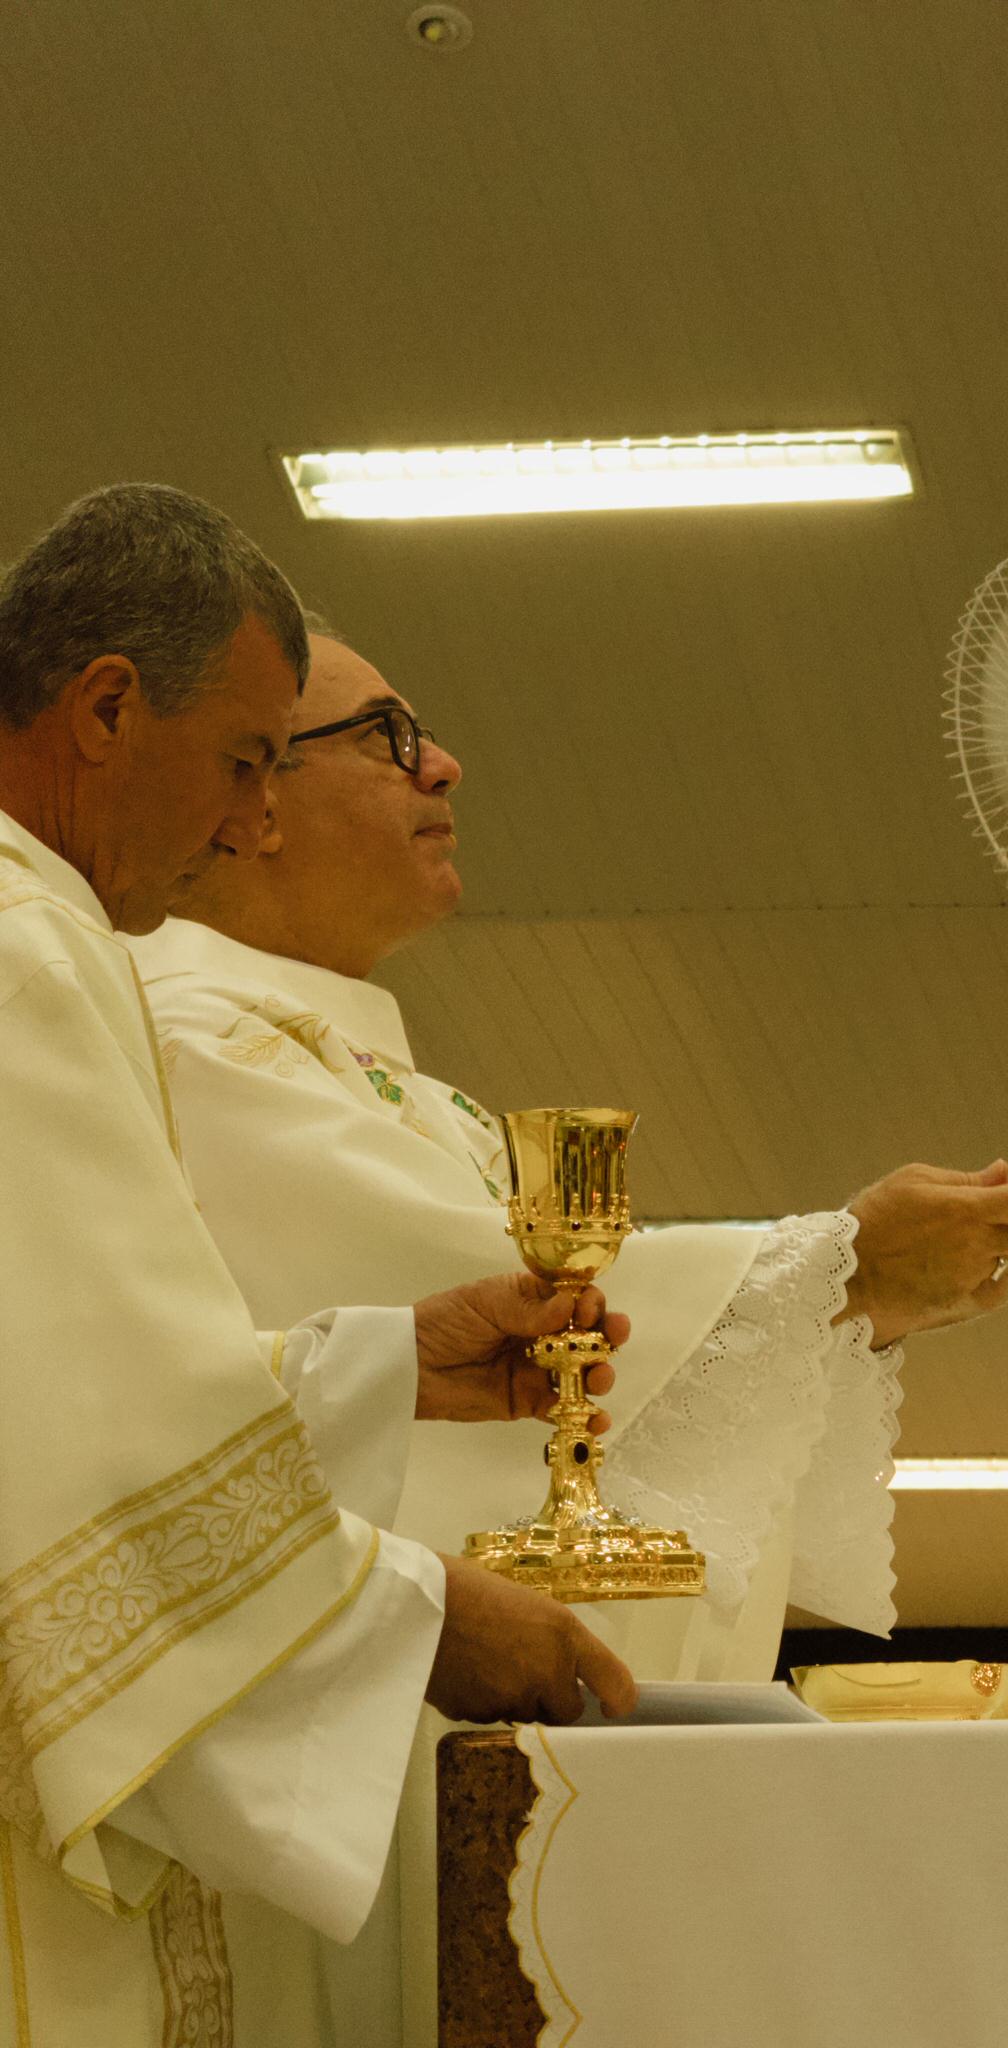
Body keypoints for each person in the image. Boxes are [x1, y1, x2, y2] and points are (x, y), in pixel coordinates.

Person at [137, 625, 1008, 2045]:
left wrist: (852, 1294)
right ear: (250, 791)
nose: (443, 764)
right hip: (345, 1767)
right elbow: (451, 1314)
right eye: (388, 736)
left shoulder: (376, 1074)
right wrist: (838, 1274)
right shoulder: (187, 1045)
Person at [0, 485, 636, 2048]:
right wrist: (416, 1613)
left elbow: (54, 1392)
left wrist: (382, 1365)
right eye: (239, 760)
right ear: (104, 709)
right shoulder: (23, 948)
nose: (241, 821)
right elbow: (88, 1454)